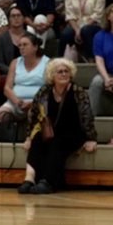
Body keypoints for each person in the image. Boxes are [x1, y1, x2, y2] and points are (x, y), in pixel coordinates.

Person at [17, 57, 97, 194]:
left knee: (57, 142)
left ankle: (48, 181)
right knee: (37, 139)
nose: (64, 74)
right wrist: (29, 137)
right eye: (60, 71)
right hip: (51, 131)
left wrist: (91, 138)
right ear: (52, 75)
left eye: (66, 71)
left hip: (74, 133)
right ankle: (29, 179)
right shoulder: (44, 91)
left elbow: (87, 116)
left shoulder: (78, 91)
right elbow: (33, 114)